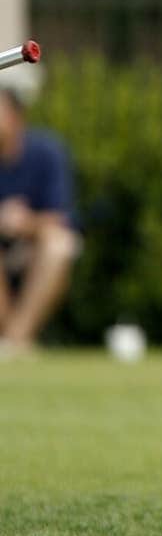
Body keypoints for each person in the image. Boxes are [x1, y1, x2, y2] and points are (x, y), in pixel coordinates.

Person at [0, 69, 81, 357]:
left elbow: (62, 216)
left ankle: (14, 342)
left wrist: (25, 222)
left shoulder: (47, 151)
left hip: (29, 248)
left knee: (60, 244)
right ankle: (10, 340)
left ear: (15, 114)